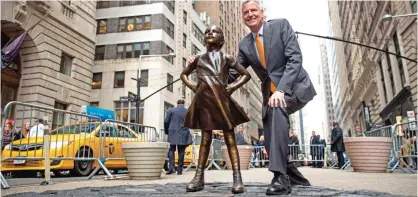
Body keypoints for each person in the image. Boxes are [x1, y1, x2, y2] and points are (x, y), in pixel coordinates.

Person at [188, 0, 315, 195]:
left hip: (294, 88)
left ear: (262, 12)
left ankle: (280, 177)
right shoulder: (246, 44)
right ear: (243, 17)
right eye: (246, 12)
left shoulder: (281, 25)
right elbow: (231, 73)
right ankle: (294, 176)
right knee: (268, 132)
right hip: (270, 96)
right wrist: (203, 67)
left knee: (276, 109)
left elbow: (295, 58)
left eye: (253, 10)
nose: (250, 14)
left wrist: (281, 90)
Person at [181, 25, 251, 194]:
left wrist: (232, 88)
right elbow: (183, 74)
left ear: (222, 40)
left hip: (222, 101)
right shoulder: (198, 58)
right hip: (204, 102)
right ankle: (199, 177)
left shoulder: (226, 57)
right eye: (207, 32)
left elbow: (245, 74)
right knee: (205, 139)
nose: (209, 33)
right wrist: (194, 87)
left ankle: (237, 177)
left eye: (215, 31)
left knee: (230, 138)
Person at [164, 99, 193, 175]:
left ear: (177, 104)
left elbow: (166, 121)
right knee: (181, 151)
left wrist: (167, 131)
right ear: (184, 104)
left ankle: (171, 168)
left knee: (171, 151)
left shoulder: (171, 110)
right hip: (183, 133)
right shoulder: (187, 111)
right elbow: (190, 122)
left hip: (172, 132)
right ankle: (179, 170)